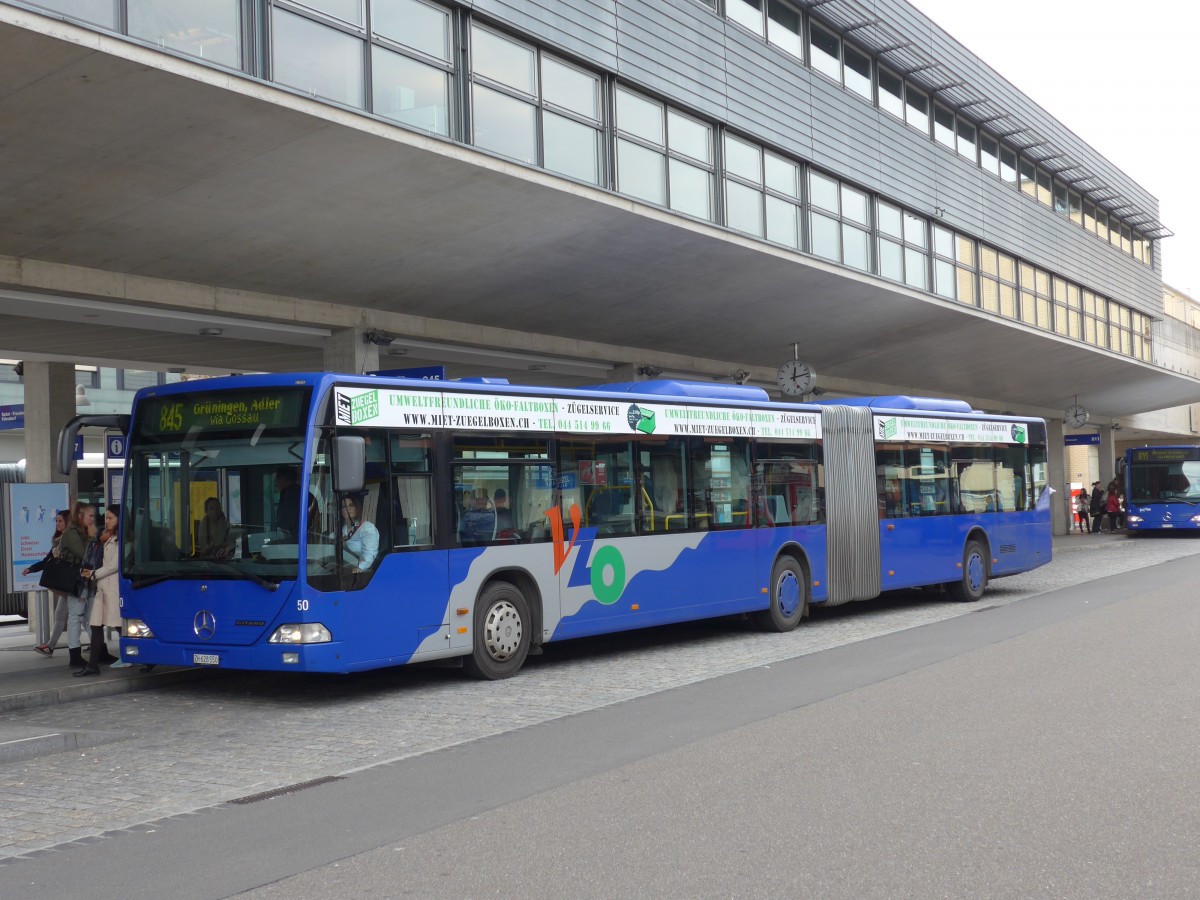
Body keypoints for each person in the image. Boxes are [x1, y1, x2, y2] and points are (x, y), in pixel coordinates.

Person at [76, 505, 123, 676]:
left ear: (120, 518)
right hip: (103, 589)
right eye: (106, 518)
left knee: (120, 627)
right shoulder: (108, 538)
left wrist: (94, 574)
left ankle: (144, 658)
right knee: (96, 625)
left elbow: (113, 565)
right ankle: (92, 665)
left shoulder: (121, 539)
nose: (107, 521)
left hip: (112, 589)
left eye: (111, 518)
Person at [25, 509, 70, 657]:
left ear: (67, 522)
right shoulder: (57, 542)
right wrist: (31, 569)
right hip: (66, 586)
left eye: (60, 521)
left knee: (81, 619)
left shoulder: (70, 541)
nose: (57, 524)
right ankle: (50, 646)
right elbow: (47, 561)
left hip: (73, 585)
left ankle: (99, 646)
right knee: (62, 616)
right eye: (56, 521)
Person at [58, 501, 97, 670]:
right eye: (90, 516)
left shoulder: (82, 531)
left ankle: (98, 650)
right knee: (76, 616)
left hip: (88, 580)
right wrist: (92, 536)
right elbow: (85, 556)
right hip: (76, 581)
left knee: (91, 616)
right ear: (81, 515)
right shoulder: (71, 533)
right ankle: (75, 654)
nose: (92, 520)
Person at [339, 494, 379, 572]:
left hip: (361, 573)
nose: (348, 509)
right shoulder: (339, 532)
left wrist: (360, 568)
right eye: (344, 506)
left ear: (357, 508)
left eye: (351, 505)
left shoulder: (367, 528)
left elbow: (370, 553)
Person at [274, 466, 301, 538]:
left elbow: (286, 523)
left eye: (276, 480)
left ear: (283, 479)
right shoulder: (298, 492)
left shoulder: (291, 495)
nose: (275, 484)